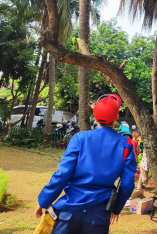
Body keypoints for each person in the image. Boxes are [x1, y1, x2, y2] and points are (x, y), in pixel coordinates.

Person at [35, 94, 137, 233]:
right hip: (99, 218)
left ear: (95, 116)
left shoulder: (80, 138)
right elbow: (127, 184)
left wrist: (44, 201)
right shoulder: (126, 145)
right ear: (117, 116)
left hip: (68, 214)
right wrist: (116, 208)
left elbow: (63, 174)